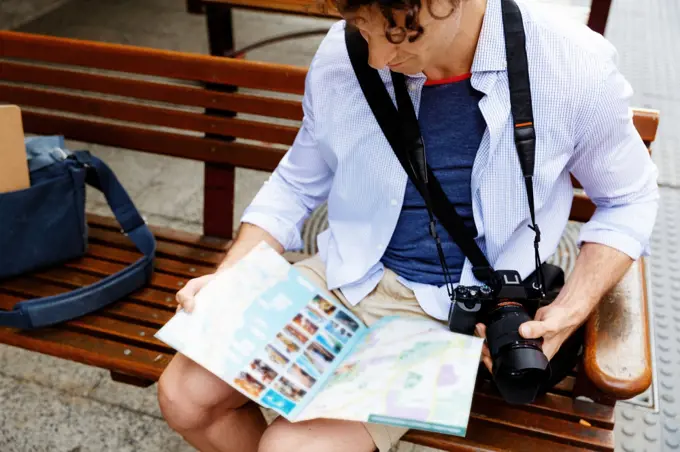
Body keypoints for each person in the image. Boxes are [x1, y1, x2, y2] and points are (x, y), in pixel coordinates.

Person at [157, 0, 659, 450]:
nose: (375, 58)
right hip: (345, 273)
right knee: (183, 397)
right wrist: (230, 276)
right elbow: (295, 183)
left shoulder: (568, 62)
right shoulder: (345, 51)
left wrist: (570, 310)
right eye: (359, 25)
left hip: (458, 313)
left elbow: (629, 199)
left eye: (398, 33)